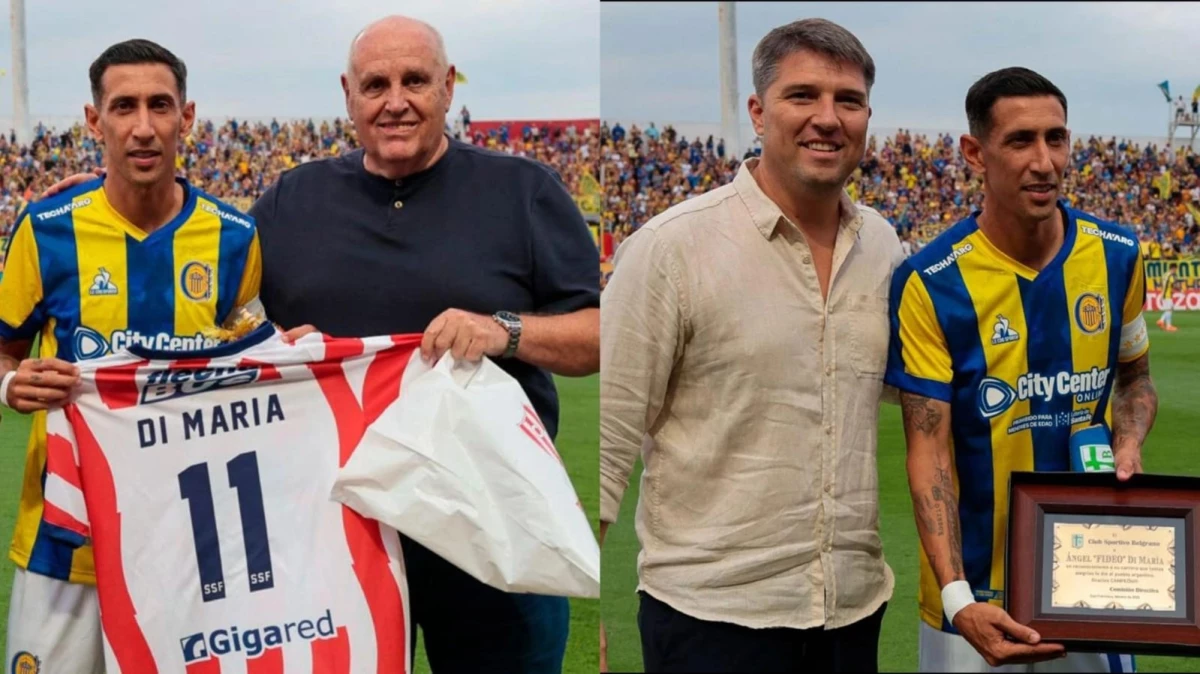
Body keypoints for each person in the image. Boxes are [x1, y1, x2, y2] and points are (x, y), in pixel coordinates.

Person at [250, 16, 599, 673]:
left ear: (447, 87)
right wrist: (277, 341)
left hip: (491, 517)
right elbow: (224, 320)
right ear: (348, 95)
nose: (396, 101)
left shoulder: (522, 192)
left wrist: (505, 330)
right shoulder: (293, 199)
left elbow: (601, 332)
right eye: (376, 84)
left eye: (415, 80)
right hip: (338, 526)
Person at [600, 18, 903, 673]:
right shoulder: (671, 248)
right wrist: (590, 607)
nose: (827, 117)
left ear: (867, 118)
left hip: (849, 614)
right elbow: (610, 439)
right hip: (712, 619)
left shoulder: (884, 248)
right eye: (803, 96)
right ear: (758, 112)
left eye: (847, 101)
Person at [0, 39, 262, 673]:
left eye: (160, 105)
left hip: (191, 547)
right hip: (66, 541)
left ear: (187, 116)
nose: (143, 127)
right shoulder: (45, 229)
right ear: (95, 121)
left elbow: (253, 363)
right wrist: (9, 387)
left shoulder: (234, 238)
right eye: (123, 107)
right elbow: (2, 353)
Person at [885, 67, 1156, 672]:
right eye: (1020, 141)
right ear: (975, 153)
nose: (1044, 161)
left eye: (1055, 138)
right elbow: (928, 449)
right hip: (976, 598)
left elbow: (1135, 378)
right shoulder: (931, 283)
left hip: (1092, 580)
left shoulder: (1117, 255)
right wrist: (957, 597)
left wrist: (1128, 439)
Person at [1158, 261, 1178, 331]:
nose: (1176, 271)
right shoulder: (1170, 276)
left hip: (1164, 294)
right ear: (1173, 268)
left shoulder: (1165, 275)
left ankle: (1161, 320)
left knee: (1170, 308)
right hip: (1167, 295)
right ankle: (1168, 326)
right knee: (1169, 309)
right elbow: (1174, 285)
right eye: (1175, 269)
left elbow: (1162, 284)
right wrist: (1180, 290)